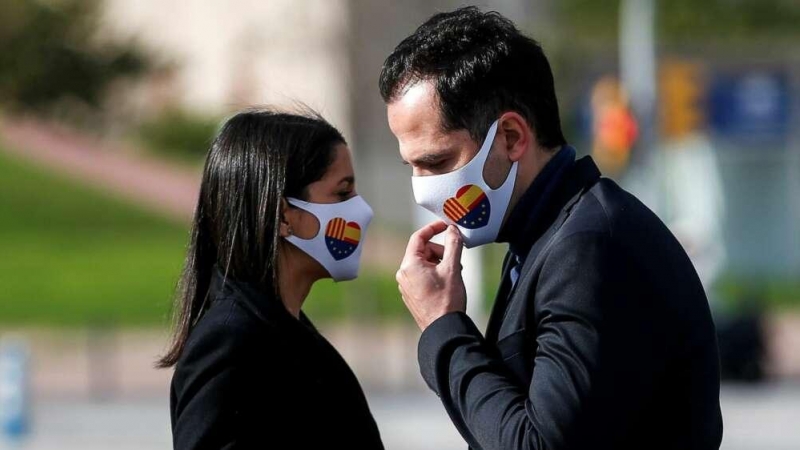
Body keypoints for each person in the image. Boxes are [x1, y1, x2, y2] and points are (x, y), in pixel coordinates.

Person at [380, 7, 723, 450]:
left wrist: (444, 327)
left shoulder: (589, 244)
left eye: (437, 162)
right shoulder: (543, 235)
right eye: (411, 167)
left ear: (511, 137)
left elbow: (537, 445)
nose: (423, 189)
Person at [158, 109, 384, 449]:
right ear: (282, 216)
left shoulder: (287, 331)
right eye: (342, 193)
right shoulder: (230, 343)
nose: (361, 210)